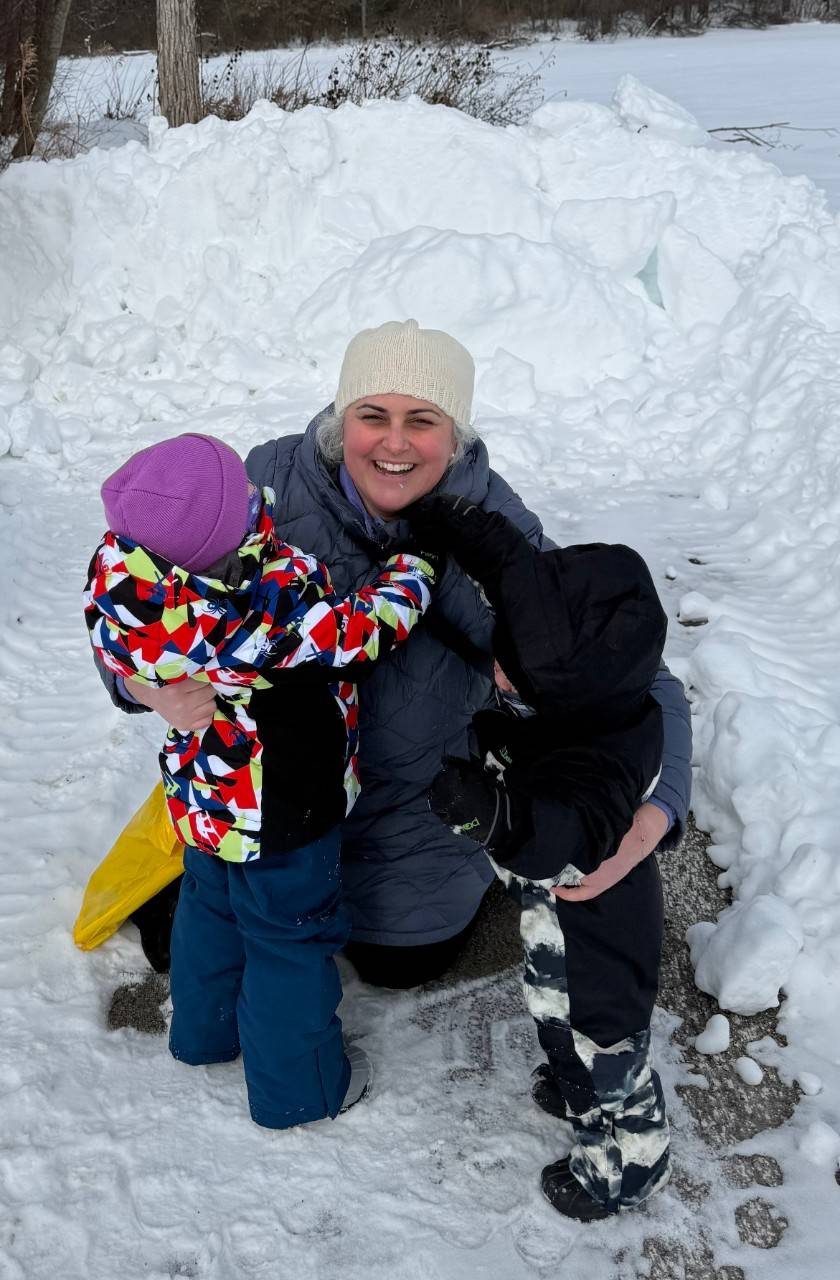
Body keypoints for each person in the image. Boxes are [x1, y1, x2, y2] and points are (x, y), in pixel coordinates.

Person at [98, 319, 692, 996]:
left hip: (414, 814)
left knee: (399, 964)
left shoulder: (494, 529)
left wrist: (653, 819)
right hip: (263, 792)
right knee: (209, 931)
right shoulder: (260, 486)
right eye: (372, 415)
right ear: (341, 418)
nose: (395, 441)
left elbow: (639, 681)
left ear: (456, 433)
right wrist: (142, 687)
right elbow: (132, 603)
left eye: (424, 420)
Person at [85, 431, 439, 1129]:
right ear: (219, 542)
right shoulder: (253, 610)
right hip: (283, 809)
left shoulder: (126, 585)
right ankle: (299, 1092)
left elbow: (112, 639)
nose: (259, 495)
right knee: (289, 941)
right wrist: (415, 570)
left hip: (204, 799)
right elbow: (356, 634)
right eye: (244, 500)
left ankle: (203, 1035)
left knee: (209, 913)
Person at [413, 492, 672, 1221]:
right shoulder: (606, 689)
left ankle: (623, 1166)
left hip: (587, 938)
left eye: (514, 672)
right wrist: (456, 521)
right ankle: (576, 1079)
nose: (499, 670)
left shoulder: (600, 766)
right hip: (558, 921)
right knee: (564, 1037)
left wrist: (493, 812)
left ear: (567, 691)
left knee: (601, 1052)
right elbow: (522, 578)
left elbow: (566, 830)